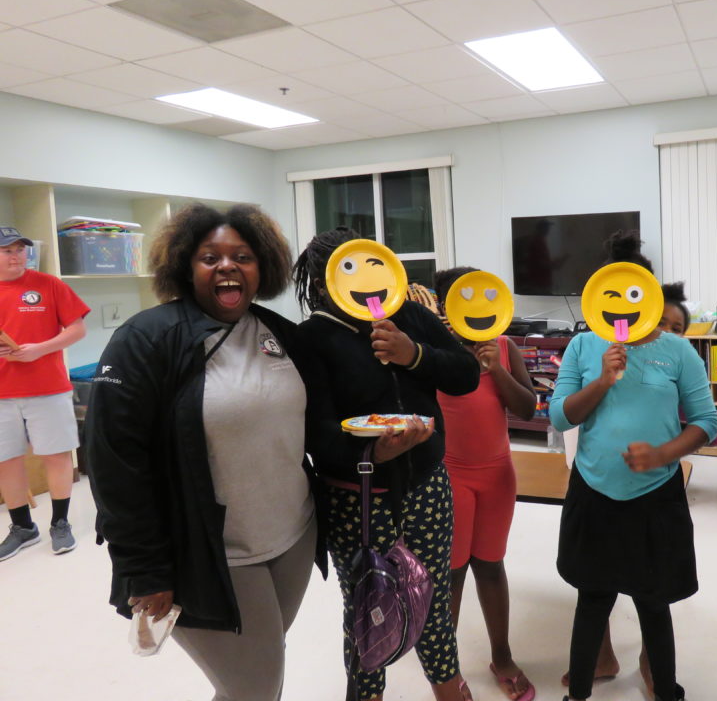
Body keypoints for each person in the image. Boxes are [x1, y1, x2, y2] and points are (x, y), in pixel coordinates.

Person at [86, 204, 325, 701]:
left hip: (291, 537)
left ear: (263, 267)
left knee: (253, 676)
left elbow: (319, 422)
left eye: (242, 256)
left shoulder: (280, 334)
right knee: (257, 686)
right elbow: (115, 464)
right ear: (185, 267)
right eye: (209, 257)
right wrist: (145, 570)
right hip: (206, 553)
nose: (227, 266)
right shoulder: (147, 339)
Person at [293, 228, 480, 701]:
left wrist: (412, 354)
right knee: (368, 603)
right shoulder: (312, 338)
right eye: (343, 270)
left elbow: (466, 374)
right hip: (356, 498)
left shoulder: (411, 315)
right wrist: (374, 454)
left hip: (426, 487)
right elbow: (316, 433)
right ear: (321, 283)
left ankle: (449, 687)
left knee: (432, 598)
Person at [551, 230, 717, 701]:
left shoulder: (679, 351)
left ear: (648, 296)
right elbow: (560, 414)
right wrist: (603, 378)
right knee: (592, 599)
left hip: (655, 494)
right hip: (595, 490)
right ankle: (578, 695)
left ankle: (665, 689)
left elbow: (706, 422)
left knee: (653, 601)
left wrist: (664, 455)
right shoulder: (584, 347)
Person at [434, 266, 537, 701]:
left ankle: (502, 655)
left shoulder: (504, 345)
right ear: (444, 307)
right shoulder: (433, 350)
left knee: (491, 566)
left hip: (498, 475)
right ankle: (446, 668)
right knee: (452, 573)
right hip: (450, 475)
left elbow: (529, 408)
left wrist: (496, 369)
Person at [0, 227, 89, 561]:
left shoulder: (48, 284)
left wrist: (41, 349)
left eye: (20, 249)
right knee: (6, 460)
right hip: (1, 393)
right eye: (7, 250)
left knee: (56, 455)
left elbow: (78, 328)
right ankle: (23, 528)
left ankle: (60, 522)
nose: (15, 255)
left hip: (47, 388)